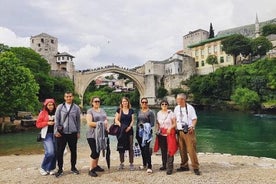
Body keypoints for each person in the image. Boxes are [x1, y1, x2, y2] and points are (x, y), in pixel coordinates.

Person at [54, 92, 81, 177]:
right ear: (64, 97)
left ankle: (73, 167)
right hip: (62, 133)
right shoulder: (60, 107)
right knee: (60, 151)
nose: (68, 98)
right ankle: (60, 169)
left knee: (73, 151)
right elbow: (56, 120)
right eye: (67, 96)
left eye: (70, 96)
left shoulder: (76, 108)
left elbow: (78, 121)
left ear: (72, 97)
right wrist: (56, 131)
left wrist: (78, 132)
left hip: (73, 133)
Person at [174, 93, 200, 175]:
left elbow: (195, 119)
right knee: (182, 150)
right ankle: (184, 166)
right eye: (177, 99)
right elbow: (175, 119)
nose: (177, 100)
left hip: (188, 131)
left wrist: (192, 126)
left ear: (183, 100)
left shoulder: (190, 108)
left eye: (179, 99)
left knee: (191, 149)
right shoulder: (176, 108)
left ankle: (196, 167)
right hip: (179, 131)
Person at [86, 97, 108, 177]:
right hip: (92, 134)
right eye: (95, 101)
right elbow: (90, 123)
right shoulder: (90, 111)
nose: (97, 102)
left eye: (98, 101)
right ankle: (91, 169)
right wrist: (101, 123)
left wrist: (106, 126)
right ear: (92, 102)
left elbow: (106, 120)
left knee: (98, 150)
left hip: (101, 134)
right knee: (94, 151)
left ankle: (95, 166)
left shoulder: (102, 110)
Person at [156, 99, 177, 175]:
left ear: (167, 105)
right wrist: (157, 130)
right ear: (160, 106)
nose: (164, 105)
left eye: (165, 104)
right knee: (163, 151)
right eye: (162, 104)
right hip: (161, 135)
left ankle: (170, 168)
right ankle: (164, 165)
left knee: (170, 151)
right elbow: (158, 123)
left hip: (169, 134)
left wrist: (170, 128)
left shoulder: (171, 113)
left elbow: (175, 124)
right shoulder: (158, 113)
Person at [36, 99, 57, 176]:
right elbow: (38, 124)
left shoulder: (57, 112)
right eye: (49, 105)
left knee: (55, 152)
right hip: (46, 135)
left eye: (52, 105)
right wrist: (47, 123)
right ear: (46, 106)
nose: (51, 106)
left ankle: (51, 168)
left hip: (56, 134)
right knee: (50, 152)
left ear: (54, 105)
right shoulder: (43, 113)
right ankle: (43, 168)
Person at [114, 97, 135, 171]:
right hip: (121, 131)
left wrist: (129, 127)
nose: (125, 103)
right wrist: (121, 126)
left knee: (130, 147)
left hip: (129, 130)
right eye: (123, 101)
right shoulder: (119, 110)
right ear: (121, 103)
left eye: (126, 101)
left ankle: (131, 163)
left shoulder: (131, 110)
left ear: (128, 102)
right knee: (121, 147)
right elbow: (116, 120)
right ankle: (121, 163)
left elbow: (132, 120)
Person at [136, 97, 155, 174]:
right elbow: (137, 122)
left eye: (145, 102)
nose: (144, 104)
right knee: (142, 149)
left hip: (147, 134)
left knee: (146, 149)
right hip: (139, 133)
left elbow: (152, 123)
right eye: (143, 102)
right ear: (141, 103)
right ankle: (144, 164)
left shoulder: (150, 112)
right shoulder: (139, 111)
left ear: (147, 103)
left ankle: (149, 166)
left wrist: (144, 125)